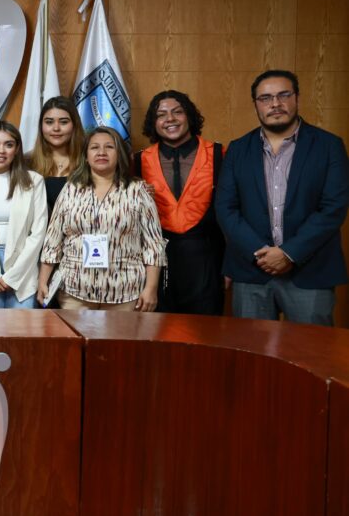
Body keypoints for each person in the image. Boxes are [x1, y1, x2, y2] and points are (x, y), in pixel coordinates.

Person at [216, 69, 349, 325]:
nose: (275, 104)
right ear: (256, 104)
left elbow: (333, 208)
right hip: (252, 271)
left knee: (310, 348)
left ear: (297, 98)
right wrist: (261, 254)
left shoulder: (329, 146)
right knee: (252, 348)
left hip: (310, 271)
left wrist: (289, 253)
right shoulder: (237, 149)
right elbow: (226, 208)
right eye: (265, 98)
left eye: (283, 95)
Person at [38, 126, 165, 311]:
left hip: (126, 292)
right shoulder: (70, 189)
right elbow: (53, 239)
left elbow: (153, 245)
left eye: (109, 147)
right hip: (74, 291)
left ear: (119, 154)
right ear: (86, 155)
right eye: (94, 147)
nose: (101, 152)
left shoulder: (138, 191)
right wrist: (43, 280)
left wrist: (151, 288)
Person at [134, 90, 225, 315]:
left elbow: (232, 211)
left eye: (177, 112)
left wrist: (230, 265)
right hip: (158, 262)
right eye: (161, 115)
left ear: (189, 116)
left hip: (206, 258)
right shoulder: (138, 160)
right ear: (153, 122)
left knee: (205, 329)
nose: (170, 119)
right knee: (159, 329)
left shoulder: (218, 154)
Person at [0, 121, 48, 308]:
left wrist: (14, 276)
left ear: (17, 149)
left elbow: (38, 233)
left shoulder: (34, 181)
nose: (1, 151)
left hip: (24, 268)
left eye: (9, 144)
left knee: (22, 327)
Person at [27, 95, 87, 212]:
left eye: (63, 122)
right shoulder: (27, 163)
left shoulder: (88, 161)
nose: (56, 128)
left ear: (75, 125)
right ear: (41, 126)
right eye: (49, 122)